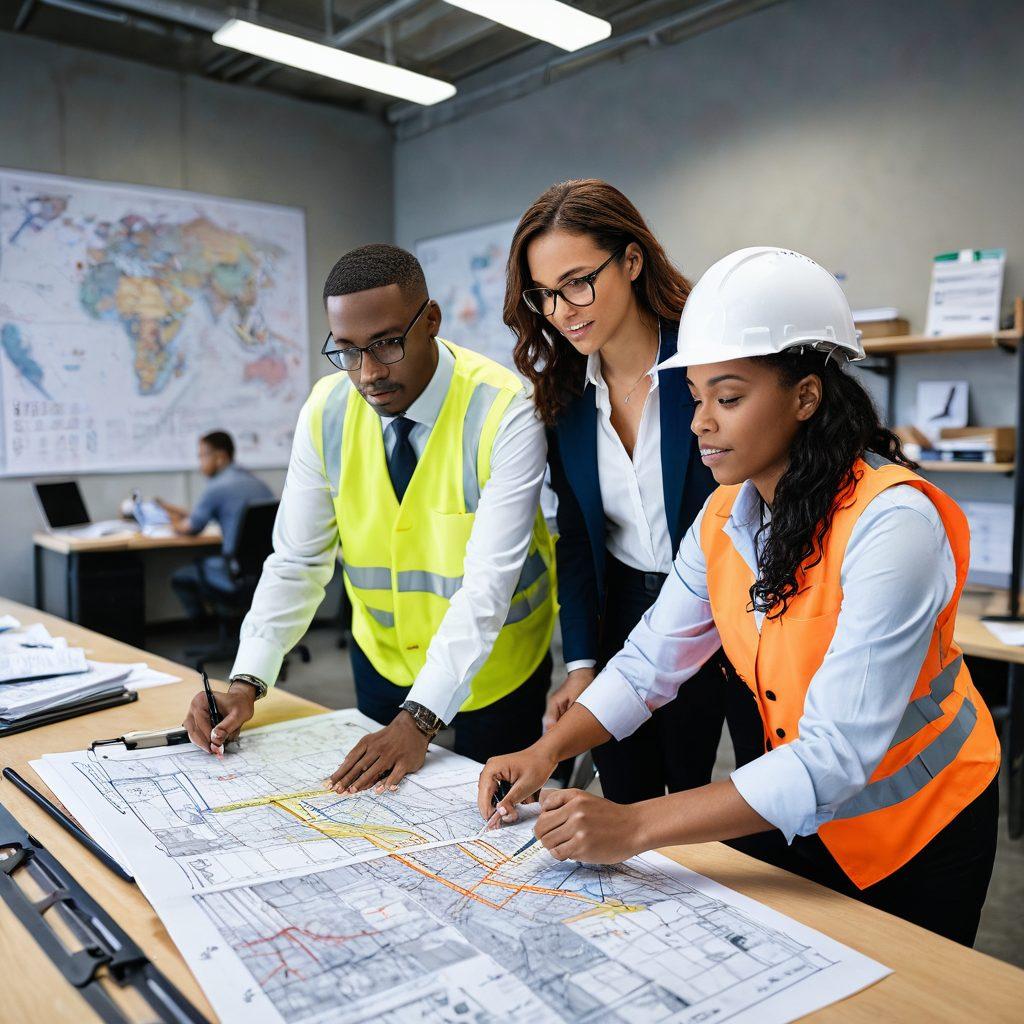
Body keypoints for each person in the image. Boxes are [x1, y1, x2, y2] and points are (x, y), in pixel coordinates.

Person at [479, 247, 1000, 946]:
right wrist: (546, 751)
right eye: (694, 398)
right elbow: (647, 665)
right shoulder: (726, 516)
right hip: (792, 808)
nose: (700, 423)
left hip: (920, 825)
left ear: (805, 397)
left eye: (728, 398)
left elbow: (836, 756)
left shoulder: (892, 524)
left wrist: (633, 825)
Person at [182, 244, 557, 791]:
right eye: (348, 350)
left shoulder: (505, 409)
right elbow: (296, 561)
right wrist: (246, 680)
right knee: (386, 819)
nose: (368, 373)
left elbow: (486, 589)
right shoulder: (327, 410)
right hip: (382, 663)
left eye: (386, 344)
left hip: (498, 672)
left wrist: (420, 719)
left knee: (497, 831)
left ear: (430, 321)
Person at [505, 179, 757, 802]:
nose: (563, 309)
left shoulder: (708, 363)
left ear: (633, 260)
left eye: (577, 282)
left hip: (737, 608)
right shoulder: (562, 396)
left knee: (757, 785)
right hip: (625, 613)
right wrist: (583, 661)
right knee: (626, 794)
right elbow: (577, 538)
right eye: (544, 296)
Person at [163, 430, 274, 620]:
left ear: (220, 457)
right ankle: (234, 629)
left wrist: (171, 522)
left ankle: (202, 630)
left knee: (181, 577)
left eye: (202, 456)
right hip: (265, 571)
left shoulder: (216, 487)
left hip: (234, 571)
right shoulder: (258, 483)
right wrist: (174, 509)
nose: (200, 464)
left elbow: (191, 528)